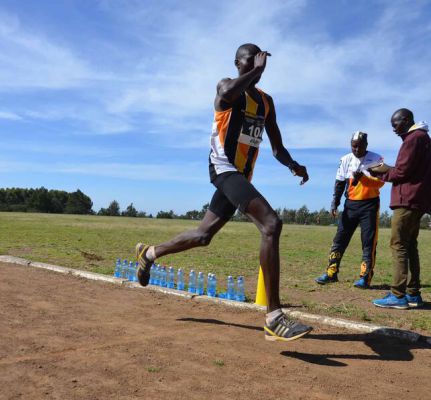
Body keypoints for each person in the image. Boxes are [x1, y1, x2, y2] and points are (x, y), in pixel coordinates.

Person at [135, 43, 313, 342]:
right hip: (223, 168)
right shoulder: (227, 87)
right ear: (237, 63)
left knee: (203, 235)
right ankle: (274, 318)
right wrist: (256, 71)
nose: (256, 64)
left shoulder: (266, 102)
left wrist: (293, 165)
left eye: (259, 60)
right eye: (249, 60)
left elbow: (277, 147)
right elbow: (227, 94)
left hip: (240, 176)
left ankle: (149, 253)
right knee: (271, 224)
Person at [370, 109, 431, 309]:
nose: (394, 129)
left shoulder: (413, 139)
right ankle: (413, 293)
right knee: (410, 245)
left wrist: (382, 172)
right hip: (418, 200)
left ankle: (398, 295)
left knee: (398, 245)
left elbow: (403, 171)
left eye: (395, 124)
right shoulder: (424, 138)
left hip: (407, 200)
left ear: (405, 120)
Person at [315, 132, 384, 288]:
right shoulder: (345, 159)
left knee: (368, 243)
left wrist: (363, 179)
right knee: (339, 240)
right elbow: (339, 183)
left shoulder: (377, 159)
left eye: (360, 145)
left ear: (366, 144)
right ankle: (331, 273)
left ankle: (365, 277)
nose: (356, 148)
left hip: (370, 205)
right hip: (350, 205)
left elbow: (380, 183)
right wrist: (335, 203)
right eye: (354, 145)